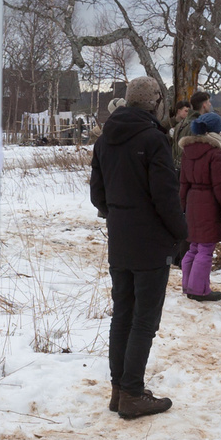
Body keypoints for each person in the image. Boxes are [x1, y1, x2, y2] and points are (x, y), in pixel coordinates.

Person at [89, 74, 184, 419]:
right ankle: (131, 393)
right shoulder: (153, 140)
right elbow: (166, 197)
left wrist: (118, 214)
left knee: (123, 317)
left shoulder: (105, 140)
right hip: (150, 244)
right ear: (155, 103)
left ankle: (120, 390)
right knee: (144, 321)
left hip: (121, 240)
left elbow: (97, 195)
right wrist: (181, 235)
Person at [178, 110, 221, 303]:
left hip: (192, 202)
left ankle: (188, 285)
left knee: (194, 246)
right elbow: (220, 184)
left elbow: (183, 183)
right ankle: (199, 290)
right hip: (208, 202)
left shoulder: (187, 150)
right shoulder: (215, 152)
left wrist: (181, 206)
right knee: (206, 248)